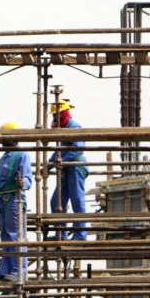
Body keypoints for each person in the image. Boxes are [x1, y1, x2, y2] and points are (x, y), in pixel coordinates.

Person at [0, 123, 37, 298]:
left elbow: (28, 180)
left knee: (16, 235)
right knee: (6, 235)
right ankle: (6, 268)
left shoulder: (21, 155)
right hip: (1, 198)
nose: (1, 141)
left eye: (4, 138)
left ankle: (18, 270)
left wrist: (21, 183)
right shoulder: (4, 159)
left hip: (13, 199)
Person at [48, 99, 89, 241]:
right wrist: (48, 165)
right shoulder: (61, 129)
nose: (54, 118)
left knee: (77, 200)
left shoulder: (74, 127)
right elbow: (59, 151)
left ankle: (81, 235)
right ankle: (61, 234)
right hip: (66, 169)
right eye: (53, 116)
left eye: (57, 115)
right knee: (56, 202)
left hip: (76, 167)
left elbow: (77, 149)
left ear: (64, 113)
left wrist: (61, 162)